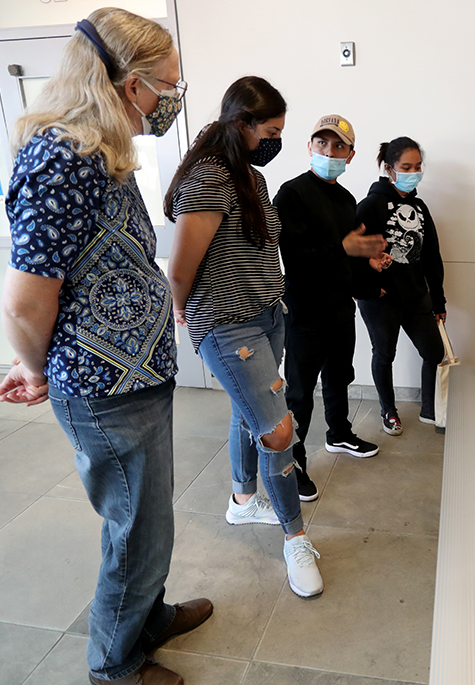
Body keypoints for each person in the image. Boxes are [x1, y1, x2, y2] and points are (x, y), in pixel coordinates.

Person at [0, 9, 211, 685]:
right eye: (165, 84)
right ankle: (115, 664)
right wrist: (35, 367)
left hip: (135, 378)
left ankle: (147, 616)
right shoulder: (62, 157)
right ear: (125, 82)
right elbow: (26, 299)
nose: (172, 98)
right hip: (104, 388)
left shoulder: (102, 152)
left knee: (150, 521)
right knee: (134, 531)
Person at [163, 76, 323, 598]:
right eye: (270, 131)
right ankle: (295, 539)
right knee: (278, 431)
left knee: (248, 414)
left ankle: (240, 502)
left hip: (266, 314)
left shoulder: (251, 178)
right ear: (241, 124)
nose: (274, 140)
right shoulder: (209, 177)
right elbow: (182, 265)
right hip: (228, 322)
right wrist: (182, 313)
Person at [273, 115, 387, 501]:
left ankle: (338, 433)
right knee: (301, 391)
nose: (329, 152)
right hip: (304, 308)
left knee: (340, 375)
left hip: (340, 307)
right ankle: (296, 459)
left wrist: (367, 263)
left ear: (350, 156)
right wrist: (345, 250)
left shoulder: (346, 200)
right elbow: (296, 257)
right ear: (309, 147)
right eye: (322, 143)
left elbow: (347, 257)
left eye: (338, 146)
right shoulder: (291, 194)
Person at [355, 137, 447, 436]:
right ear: (389, 168)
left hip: (416, 297)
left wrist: (438, 300)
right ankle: (388, 410)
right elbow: (349, 250)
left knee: (433, 352)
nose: (413, 172)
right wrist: (369, 286)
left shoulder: (420, 207)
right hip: (381, 300)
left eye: (418, 167)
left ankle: (430, 409)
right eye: (406, 167)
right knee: (384, 354)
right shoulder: (371, 205)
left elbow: (432, 255)